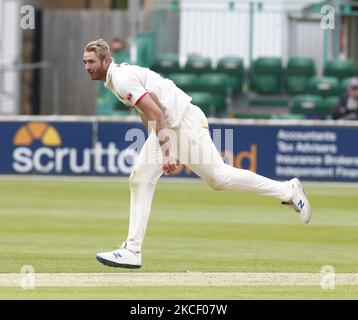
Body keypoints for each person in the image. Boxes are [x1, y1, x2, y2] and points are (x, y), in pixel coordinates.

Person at [83, 39, 311, 269]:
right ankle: (132, 250)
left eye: (91, 61)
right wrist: (155, 140)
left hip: (184, 122)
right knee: (140, 178)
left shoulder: (121, 79)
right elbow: (148, 113)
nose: (87, 66)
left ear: (107, 61)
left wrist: (167, 153)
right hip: (169, 124)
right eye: (85, 62)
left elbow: (156, 113)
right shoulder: (116, 80)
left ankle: (288, 190)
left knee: (219, 178)